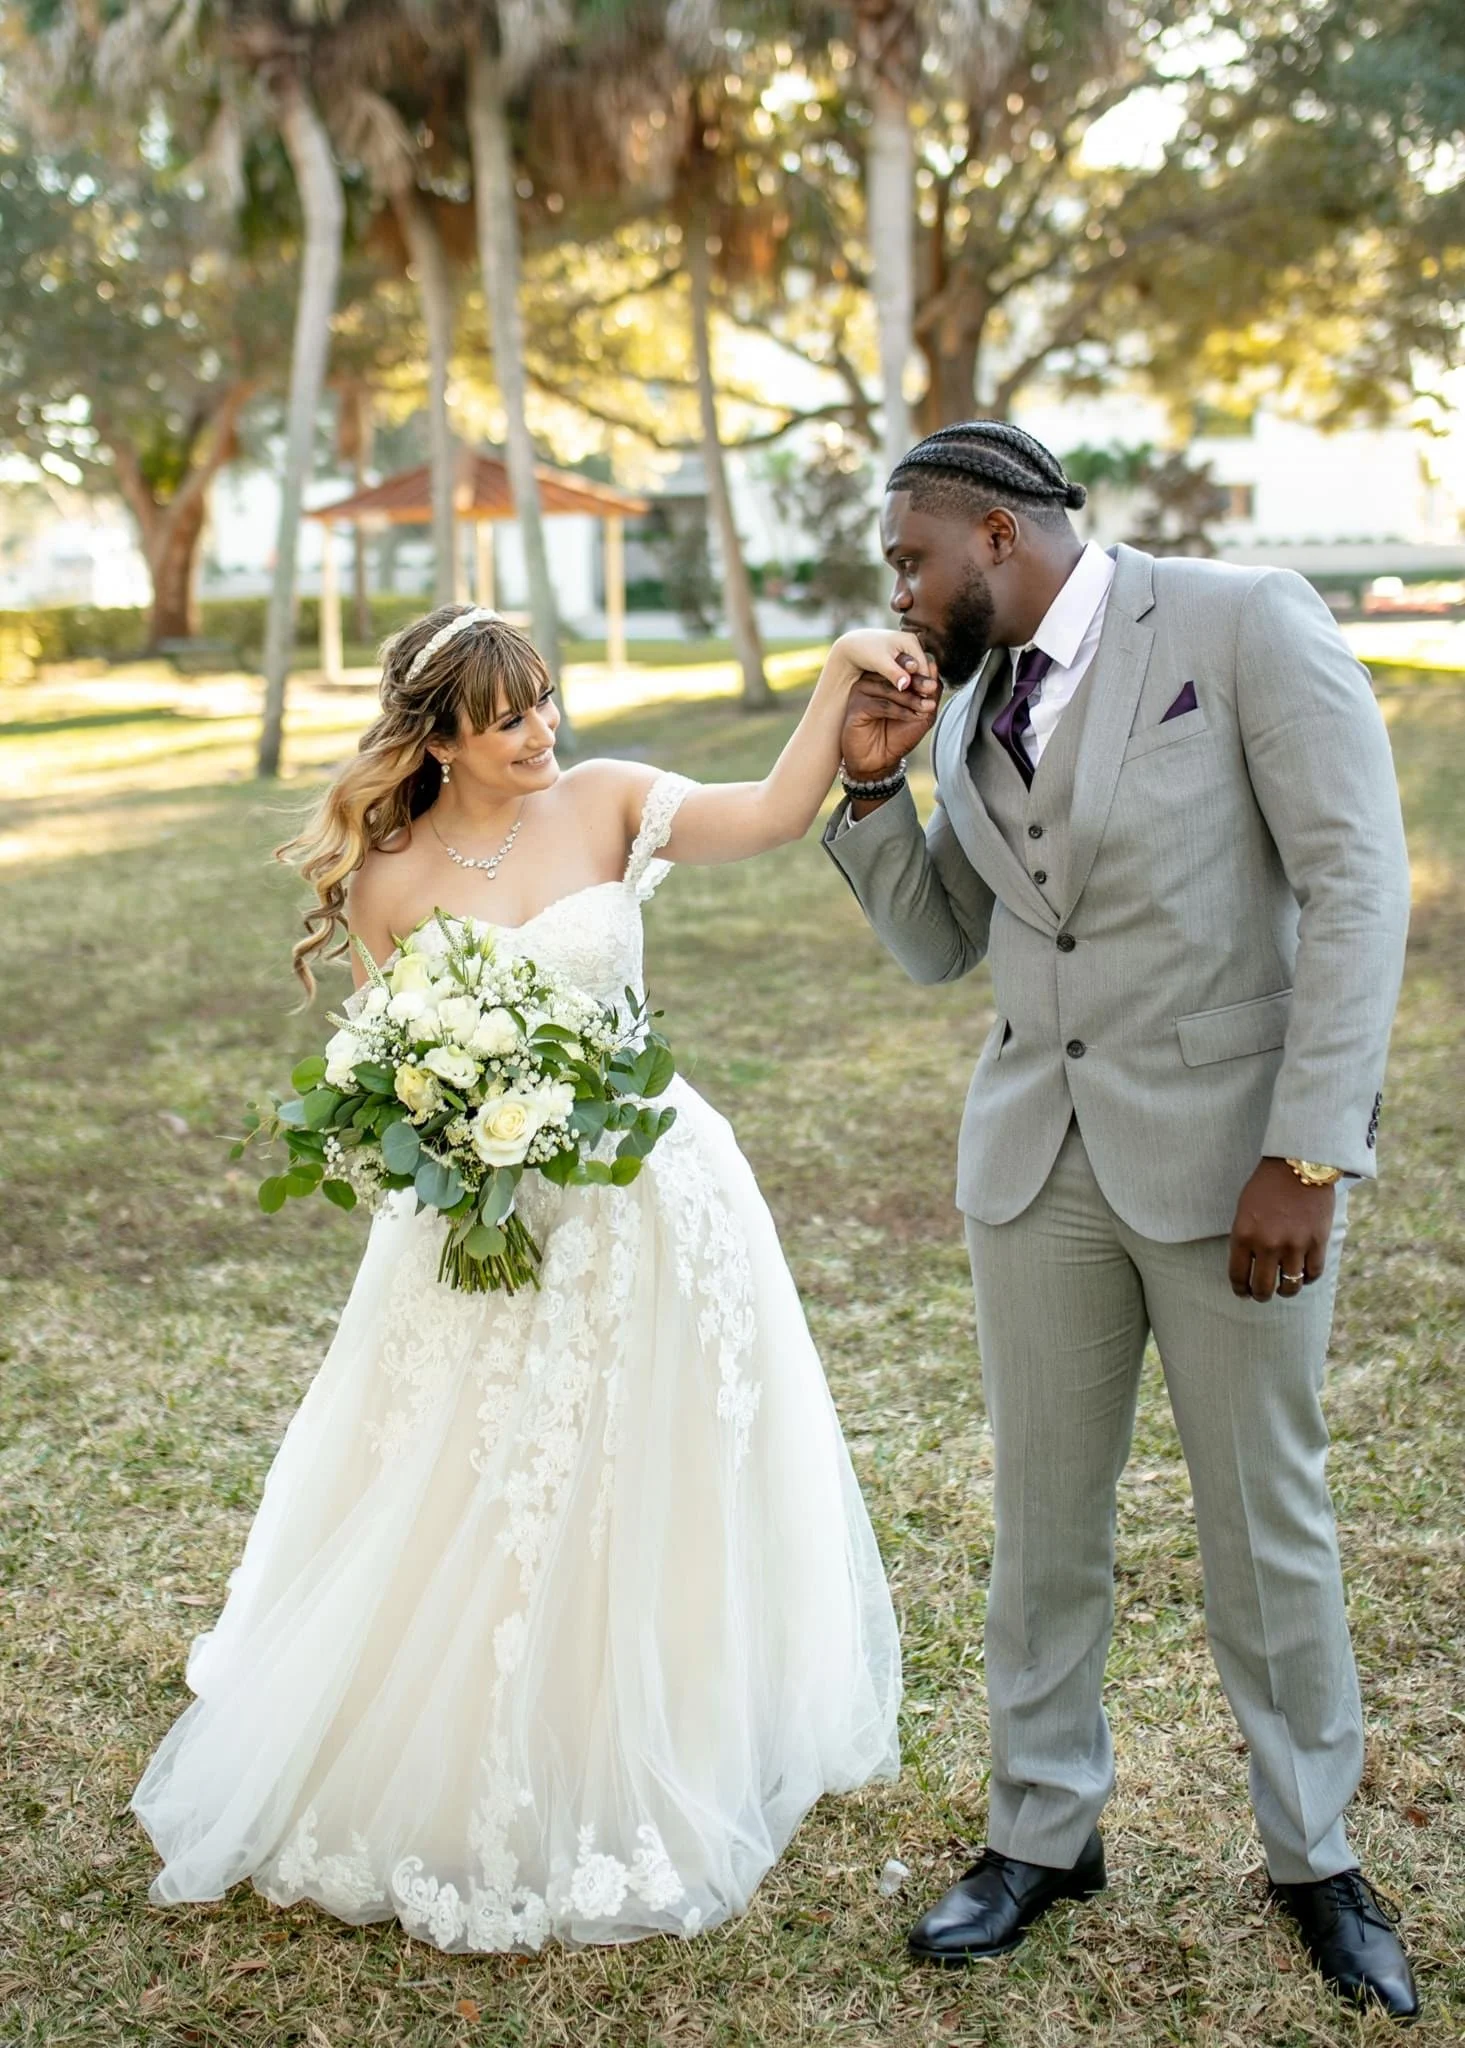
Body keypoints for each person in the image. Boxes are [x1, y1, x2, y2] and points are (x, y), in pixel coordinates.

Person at [132, 605, 931, 1953]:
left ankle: (664, 1716)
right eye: (509, 718)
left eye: (546, 702)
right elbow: (400, 1074)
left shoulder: (612, 801)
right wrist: (460, 1130)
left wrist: (840, 676)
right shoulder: (389, 881)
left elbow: (777, 812)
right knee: (478, 1473)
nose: (542, 731)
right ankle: (469, 1743)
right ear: (440, 736)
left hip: (656, 1201)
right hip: (493, 1227)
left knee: (657, 1466)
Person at [823, 421, 1417, 2019]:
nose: (898, 589)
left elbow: (1359, 884)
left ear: (997, 540)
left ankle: (1314, 1855)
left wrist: (1307, 1153)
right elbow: (946, 945)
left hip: (1239, 1167)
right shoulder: (965, 714)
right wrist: (876, 788)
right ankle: (1041, 1833)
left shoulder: (1241, 624)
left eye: (910, 559)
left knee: (1263, 1519)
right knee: (1046, 1520)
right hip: (1037, 1167)